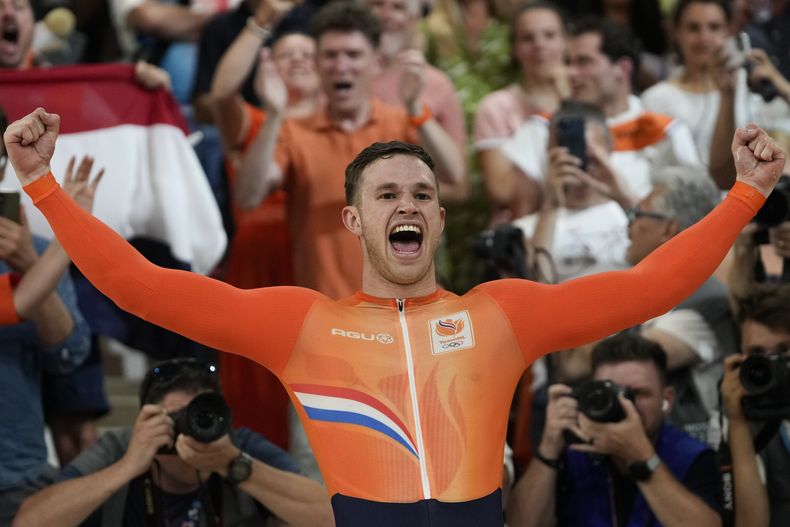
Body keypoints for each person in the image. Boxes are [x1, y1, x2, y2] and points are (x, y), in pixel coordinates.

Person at [3, 103, 784, 526]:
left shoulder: (500, 314)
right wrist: (40, 186)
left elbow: (647, 287)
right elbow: (142, 286)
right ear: (354, 222)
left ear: (439, 221)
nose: (406, 205)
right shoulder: (299, 323)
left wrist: (745, 194)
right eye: (387, 195)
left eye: (421, 195)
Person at [234, 0, 464, 299]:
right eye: (330, 55)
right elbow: (248, 196)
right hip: (333, 316)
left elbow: (454, 173)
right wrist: (274, 116)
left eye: (353, 54)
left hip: (409, 309)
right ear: (317, 64)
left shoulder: (402, 121)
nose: (341, 66)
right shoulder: (293, 130)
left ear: (375, 63)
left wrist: (416, 107)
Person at [13, 357, 334, 527]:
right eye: (174, 418)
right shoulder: (122, 448)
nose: (190, 430)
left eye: (201, 417)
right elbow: (28, 522)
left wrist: (233, 465)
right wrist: (127, 467)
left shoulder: (238, 447)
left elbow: (331, 518)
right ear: (144, 421)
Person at [506, 333, 722, 527]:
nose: (624, 403)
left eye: (638, 393)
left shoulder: (693, 456)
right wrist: (548, 449)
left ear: (666, 400)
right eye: (611, 392)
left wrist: (641, 457)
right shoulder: (573, 451)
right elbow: (521, 524)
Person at [502, 16, 703, 212]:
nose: (571, 73)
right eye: (568, 62)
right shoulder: (542, 129)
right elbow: (522, 216)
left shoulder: (663, 131)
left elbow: (695, 209)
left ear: (622, 69)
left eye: (584, 61)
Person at [0, 133, 96, 524]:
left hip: (17, 471)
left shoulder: (33, 250)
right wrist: (74, 223)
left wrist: (31, 256)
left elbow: (70, 352)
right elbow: (22, 301)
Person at [641, 0, 790, 189]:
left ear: (729, 32)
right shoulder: (657, 98)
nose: (704, 37)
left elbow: (785, 131)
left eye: (714, 27)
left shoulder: (750, 84)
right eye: (693, 28)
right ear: (675, 32)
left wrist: (781, 84)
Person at [512, 100, 632, 282]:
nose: (581, 167)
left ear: (609, 148)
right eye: (570, 157)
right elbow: (536, 285)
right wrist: (550, 206)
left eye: (589, 157)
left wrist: (626, 199)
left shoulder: (634, 211)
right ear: (549, 154)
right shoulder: (525, 231)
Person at [475, 1, 568, 223]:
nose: (539, 45)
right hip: (520, 229)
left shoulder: (588, 100)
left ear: (566, 42)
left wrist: (568, 102)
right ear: (514, 49)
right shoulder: (496, 106)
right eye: (528, 38)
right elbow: (502, 191)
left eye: (549, 35)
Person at [720, 284, 790, 527]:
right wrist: (737, 421)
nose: (773, 365)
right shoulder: (741, 418)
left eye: (784, 351)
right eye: (757, 353)